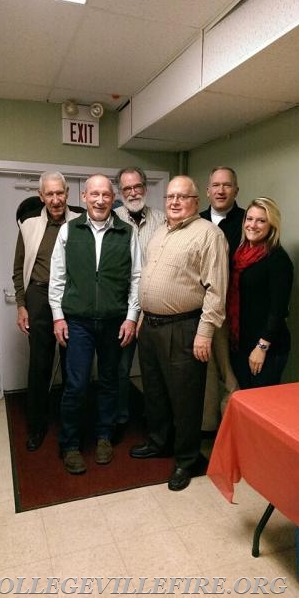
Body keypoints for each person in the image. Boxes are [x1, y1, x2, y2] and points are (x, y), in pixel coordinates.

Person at [130, 175, 228, 491]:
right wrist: (144, 314)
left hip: (184, 328)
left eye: (182, 197)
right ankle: (159, 441)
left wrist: (204, 334)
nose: (174, 202)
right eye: (170, 196)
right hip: (151, 327)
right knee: (155, 391)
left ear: (195, 201)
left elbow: (216, 290)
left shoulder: (209, 235)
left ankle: (186, 460)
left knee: (186, 399)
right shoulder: (160, 232)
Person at [49, 174, 141, 475]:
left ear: (112, 198)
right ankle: (71, 445)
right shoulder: (68, 230)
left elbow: (136, 279)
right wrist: (58, 316)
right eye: (94, 194)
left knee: (110, 382)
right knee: (75, 385)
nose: (100, 200)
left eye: (105, 195)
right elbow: (57, 279)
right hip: (78, 322)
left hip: (115, 321)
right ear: (84, 197)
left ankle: (104, 436)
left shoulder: (127, 232)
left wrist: (131, 317)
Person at [13, 172, 83, 451]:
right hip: (38, 297)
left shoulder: (81, 221)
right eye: (49, 194)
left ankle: (72, 425)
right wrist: (21, 304)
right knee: (40, 365)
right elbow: (18, 269)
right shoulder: (29, 225)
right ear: (41, 196)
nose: (55, 199)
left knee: (73, 365)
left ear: (67, 194)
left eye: (60, 193)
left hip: (72, 296)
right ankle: (37, 426)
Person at [114, 167, 165, 429]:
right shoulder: (112, 219)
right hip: (123, 310)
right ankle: (121, 418)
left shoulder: (163, 220)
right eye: (127, 189)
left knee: (154, 370)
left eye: (137, 187)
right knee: (121, 369)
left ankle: (154, 419)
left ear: (145, 187)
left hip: (155, 309)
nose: (133, 192)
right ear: (119, 192)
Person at [227, 197, 294, 389]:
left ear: (271, 225)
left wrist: (262, 347)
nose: (252, 225)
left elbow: (278, 310)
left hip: (266, 346)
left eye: (261, 220)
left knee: (259, 404)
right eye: (249, 219)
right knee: (243, 400)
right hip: (240, 342)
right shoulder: (239, 254)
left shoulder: (278, 260)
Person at [200, 166, 245, 431]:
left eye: (226, 185)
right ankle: (209, 428)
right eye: (215, 185)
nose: (220, 190)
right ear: (207, 191)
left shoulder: (246, 220)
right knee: (207, 374)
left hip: (235, 312)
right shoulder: (197, 220)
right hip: (203, 310)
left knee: (230, 374)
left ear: (236, 190)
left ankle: (233, 431)